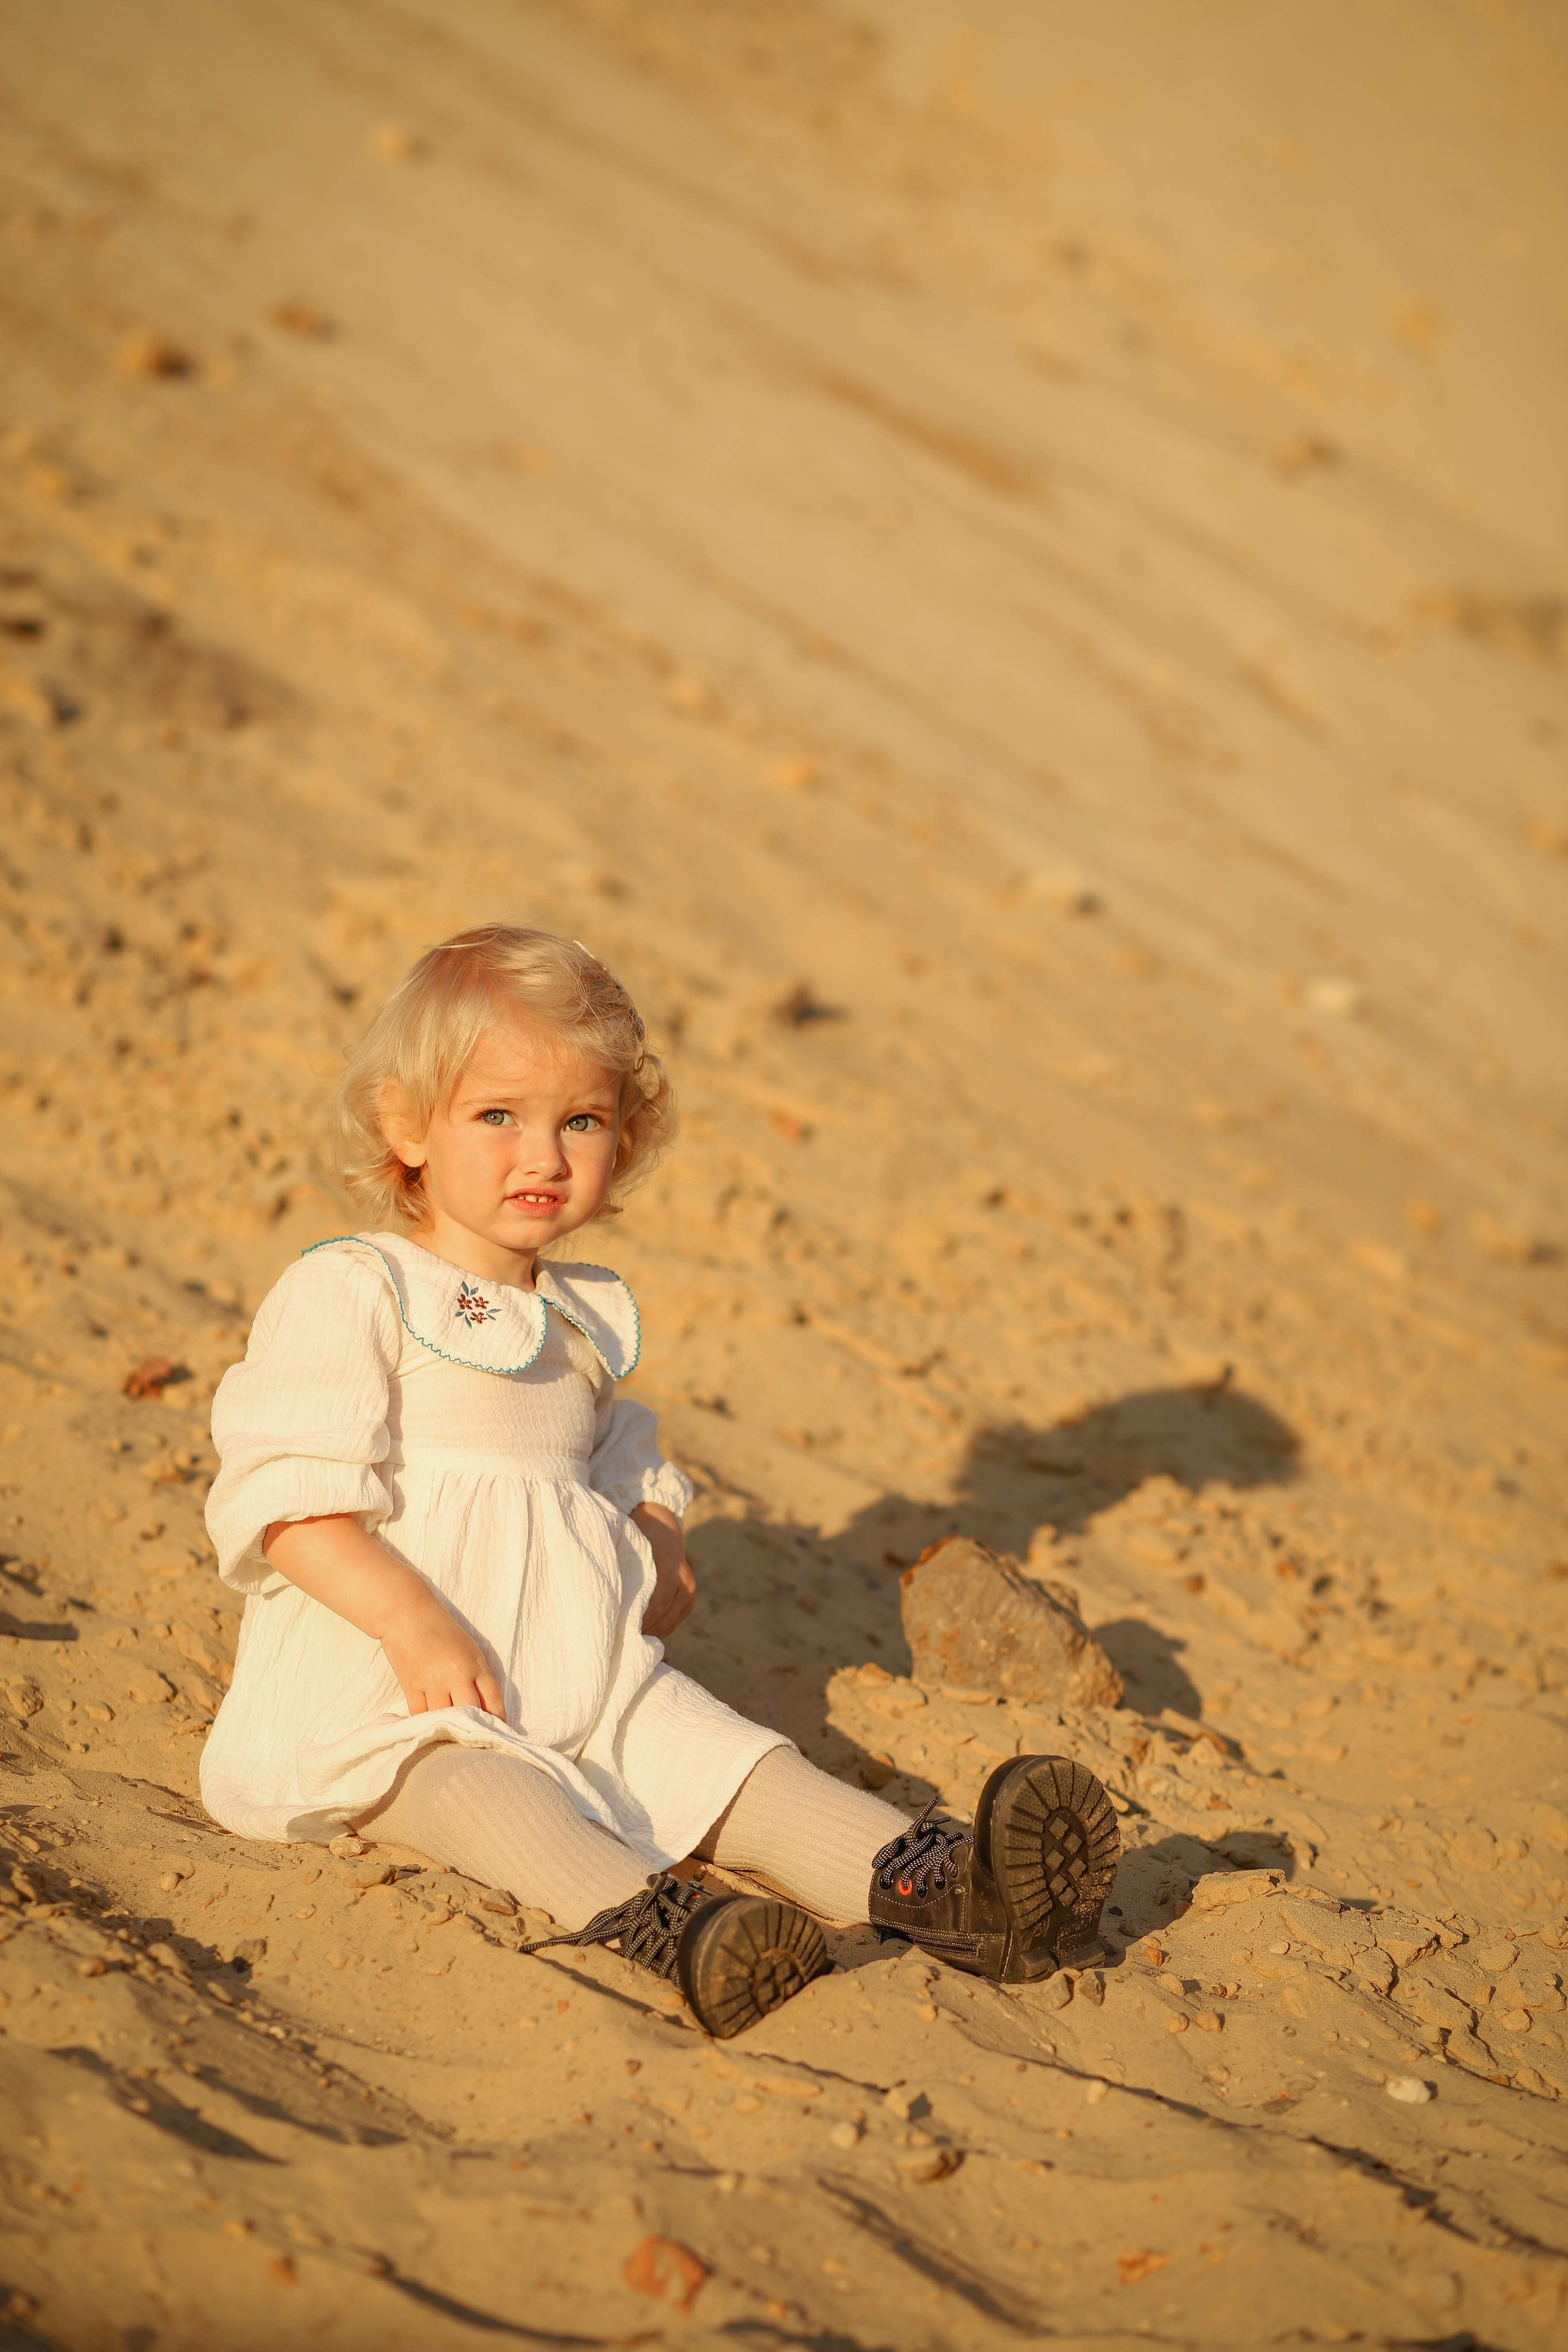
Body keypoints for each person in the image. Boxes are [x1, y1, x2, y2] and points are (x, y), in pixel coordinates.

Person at [202, 925, 1118, 2037]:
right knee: (481, 1791)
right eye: (497, 1117)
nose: (543, 1156)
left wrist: (657, 1531)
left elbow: (616, 1454)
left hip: (582, 1672)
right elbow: (292, 1503)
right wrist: (411, 1621)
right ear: (406, 1125)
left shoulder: (576, 1321)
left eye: (579, 1123)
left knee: (735, 1763)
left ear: (622, 1137)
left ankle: (953, 1892)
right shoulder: (358, 1290)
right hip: (401, 1691)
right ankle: (675, 1927)